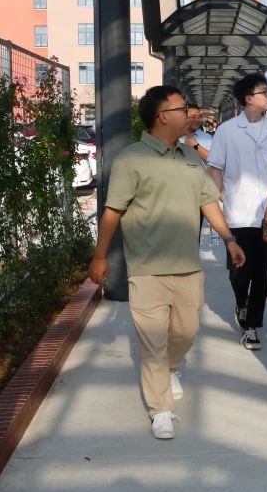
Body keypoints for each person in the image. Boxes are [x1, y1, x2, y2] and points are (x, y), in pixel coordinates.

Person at [89, 85, 246, 440]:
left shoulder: (190, 157)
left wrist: (229, 239)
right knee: (152, 341)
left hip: (187, 265)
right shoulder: (131, 159)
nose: (189, 114)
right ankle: (160, 409)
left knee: (186, 331)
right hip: (146, 269)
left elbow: (208, 202)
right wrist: (100, 257)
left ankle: (170, 368)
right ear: (162, 116)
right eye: (182, 109)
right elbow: (112, 212)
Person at [206, 73, 267, 350]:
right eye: (263, 91)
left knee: (262, 273)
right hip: (238, 213)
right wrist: (216, 203)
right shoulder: (227, 131)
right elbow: (216, 169)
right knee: (239, 271)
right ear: (248, 99)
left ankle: (252, 325)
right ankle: (241, 302)